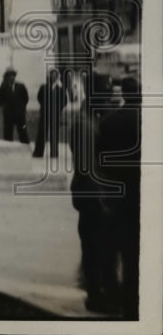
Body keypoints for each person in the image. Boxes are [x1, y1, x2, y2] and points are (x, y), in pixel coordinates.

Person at [69, 73, 118, 314]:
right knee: (94, 247)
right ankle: (96, 297)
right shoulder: (83, 125)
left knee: (98, 247)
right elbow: (86, 169)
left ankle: (101, 292)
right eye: (106, 95)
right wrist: (101, 200)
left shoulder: (91, 120)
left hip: (95, 195)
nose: (108, 101)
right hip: (92, 197)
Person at [98, 76, 141, 318]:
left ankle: (124, 299)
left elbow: (102, 163)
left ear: (123, 92)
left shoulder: (110, 122)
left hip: (121, 196)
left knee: (123, 249)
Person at [33, 68, 67, 158]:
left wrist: (57, 109)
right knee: (41, 134)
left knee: (54, 134)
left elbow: (64, 101)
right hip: (44, 114)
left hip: (55, 115)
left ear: (57, 77)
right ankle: (38, 152)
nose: (53, 76)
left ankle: (54, 153)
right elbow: (39, 97)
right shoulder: (43, 87)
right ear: (49, 76)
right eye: (51, 74)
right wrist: (44, 107)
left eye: (55, 75)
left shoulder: (61, 88)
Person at [0, 68, 29, 143]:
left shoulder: (21, 86)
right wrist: (4, 108)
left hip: (19, 113)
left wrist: (22, 107)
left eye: (14, 75)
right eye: (10, 75)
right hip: (8, 113)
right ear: (7, 76)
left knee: (22, 130)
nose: (12, 77)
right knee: (8, 130)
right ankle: (7, 145)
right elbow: (1, 99)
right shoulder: (3, 87)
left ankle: (25, 145)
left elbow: (26, 98)